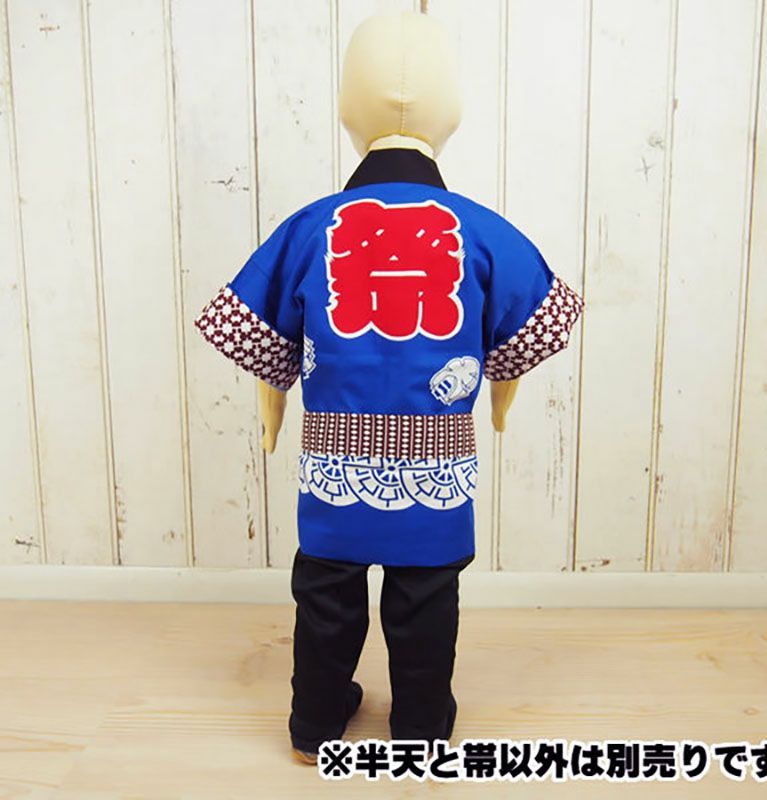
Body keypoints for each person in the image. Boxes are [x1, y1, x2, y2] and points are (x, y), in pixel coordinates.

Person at [193, 10, 584, 764]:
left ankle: (314, 725)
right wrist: (499, 401)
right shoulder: (482, 230)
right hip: (438, 464)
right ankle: (423, 726)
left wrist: (273, 414)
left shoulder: (311, 227)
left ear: (348, 110)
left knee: (326, 590)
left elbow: (270, 348)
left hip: (333, 462)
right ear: (451, 113)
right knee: (426, 595)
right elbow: (521, 341)